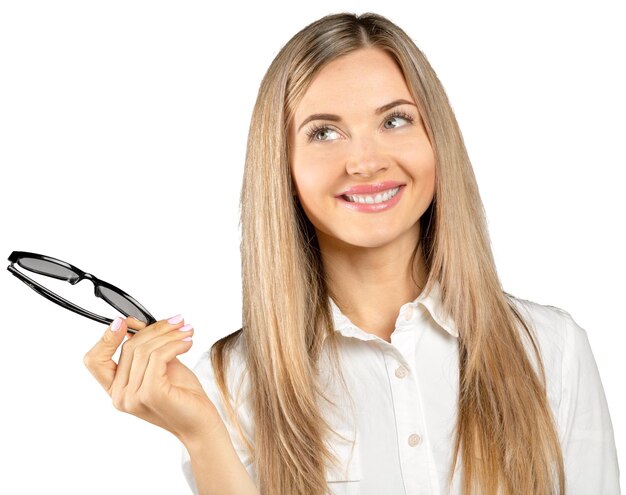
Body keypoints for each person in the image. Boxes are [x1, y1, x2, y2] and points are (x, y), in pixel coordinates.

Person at [83, 11, 620, 495]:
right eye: (324, 133)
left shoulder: (551, 349)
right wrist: (202, 434)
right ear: (283, 168)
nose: (365, 162)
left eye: (395, 120)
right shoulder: (231, 379)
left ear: (437, 139)